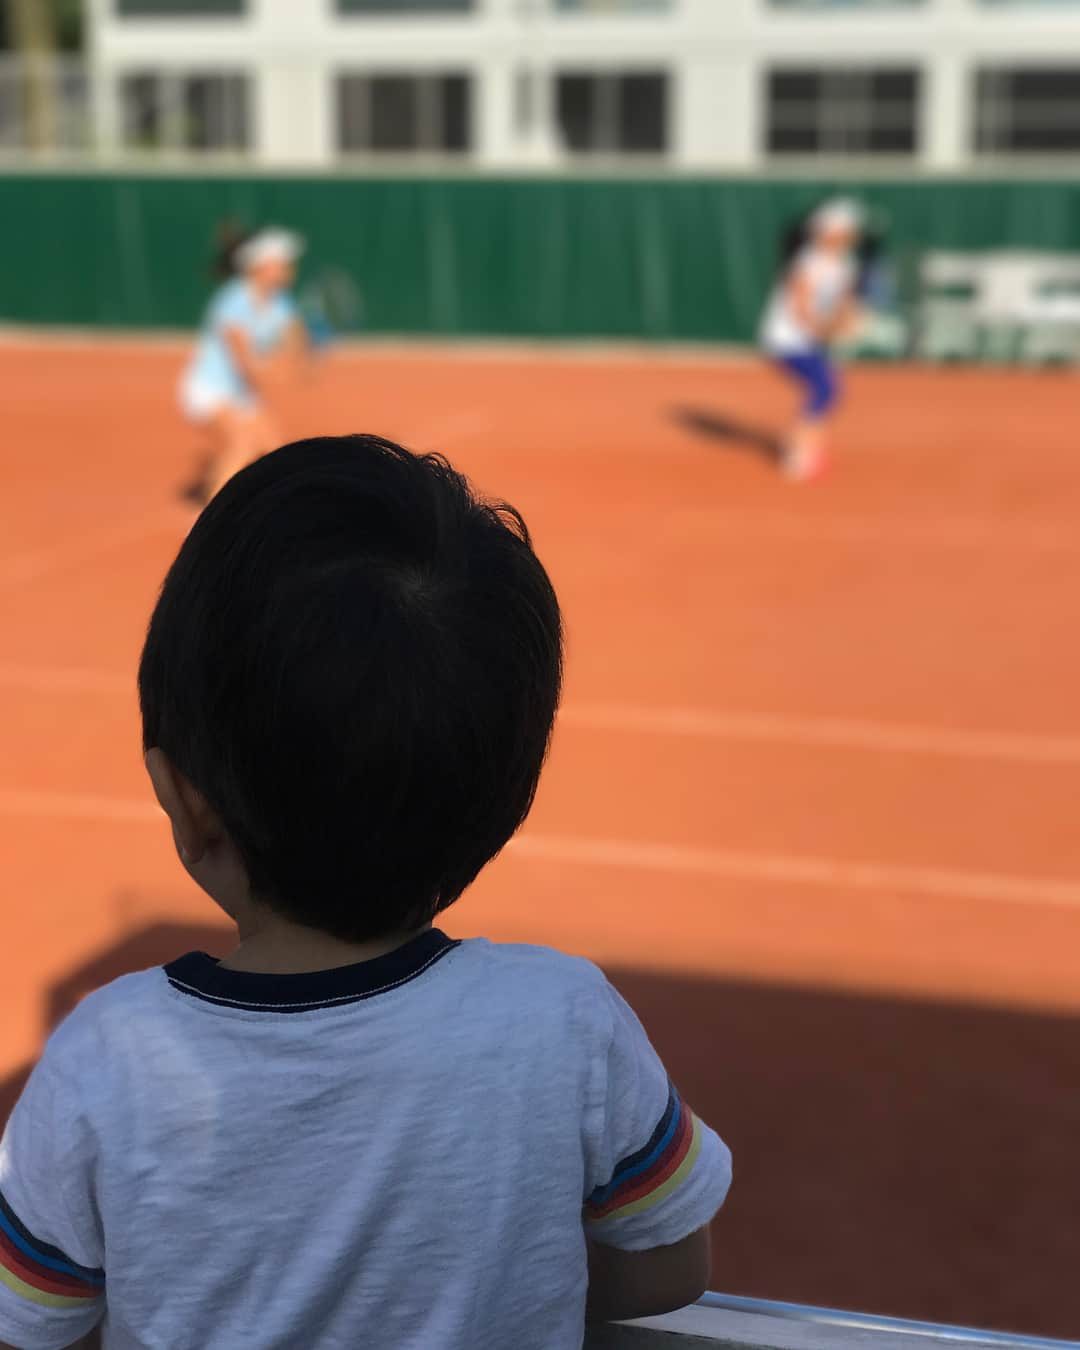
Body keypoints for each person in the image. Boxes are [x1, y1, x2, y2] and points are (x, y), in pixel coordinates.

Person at [0, 436, 732, 1350]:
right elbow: (672, 1266)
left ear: (185, 802)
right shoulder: (568, 1021)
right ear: (504, 800)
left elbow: (36, 1326)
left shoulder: (100, 1066)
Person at [177, 226, 310, 504]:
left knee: (275, 448)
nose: (289, 268)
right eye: (283, 263)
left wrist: (292, 357)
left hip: (241, 394)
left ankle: (283, 511)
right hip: (208, 390)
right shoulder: (233, 300)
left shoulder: (280, 302)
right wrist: (273, 369)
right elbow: (243, 360)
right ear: (262, 266)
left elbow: (294, 335)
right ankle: (213, 522)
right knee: (242, 444)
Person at [761, 198, 865, 482]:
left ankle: (806, 446)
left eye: (850, 230)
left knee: (827, 390)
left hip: (809, 339)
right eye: (844, 229)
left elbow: (845, 301)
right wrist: (829, 330)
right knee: (824, 388)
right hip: (784, 339)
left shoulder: (846, 264)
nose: (849, 235)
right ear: (827, 232)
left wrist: (849, 319)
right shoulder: (807, 260)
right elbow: (800, 306)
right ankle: (798, 454)